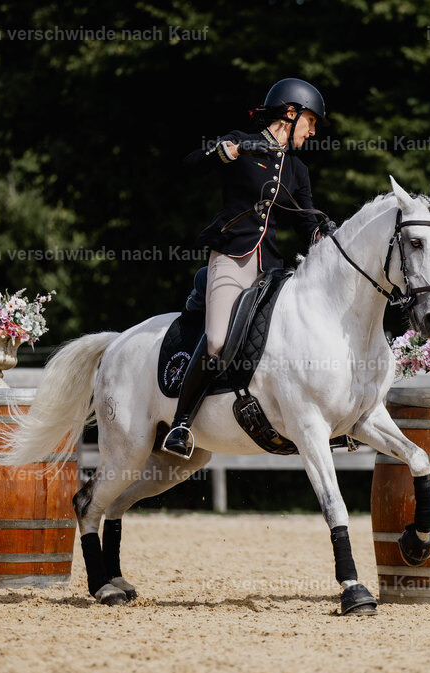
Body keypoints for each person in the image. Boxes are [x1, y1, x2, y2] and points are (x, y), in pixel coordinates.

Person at [162, 77, 333, 458]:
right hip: (232, 257)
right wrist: (226, 151)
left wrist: (326, 232)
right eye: (311, 121)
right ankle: (181, 424)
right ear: (291, 113)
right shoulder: (240, 141)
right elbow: (189, 165)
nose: (313, 131)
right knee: (218, 342)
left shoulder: (298, 171)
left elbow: (307, 222)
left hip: (269, 268)